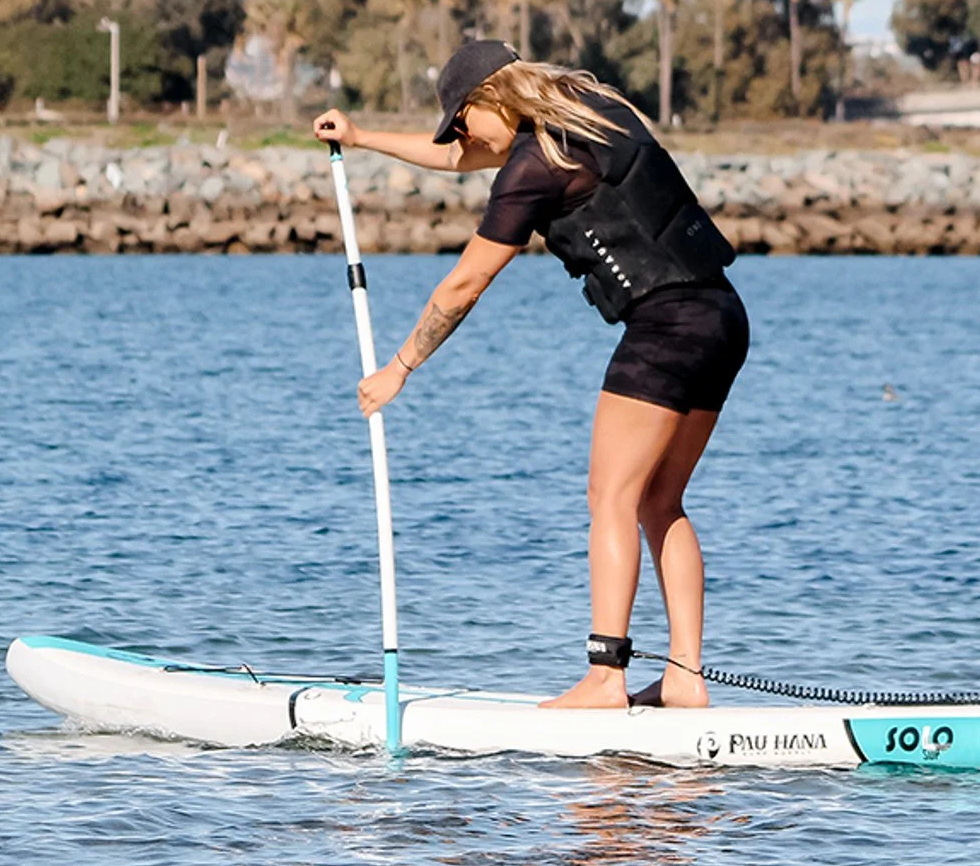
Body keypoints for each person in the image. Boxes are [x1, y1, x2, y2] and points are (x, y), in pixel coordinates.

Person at [312, 40, 747, 709]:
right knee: (659, 501)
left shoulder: (534, 166)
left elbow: (464, 284)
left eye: (460, 119)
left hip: (667, 329)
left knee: (610, 499)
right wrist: (364, 138)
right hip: (721, 317)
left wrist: (399, 368)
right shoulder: (590, 112)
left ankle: (606, 677)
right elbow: (467, 157)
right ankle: (686, 676)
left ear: (489, 98)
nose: (460, 138)